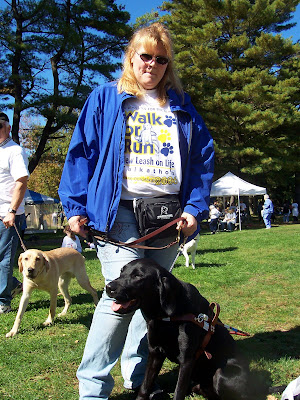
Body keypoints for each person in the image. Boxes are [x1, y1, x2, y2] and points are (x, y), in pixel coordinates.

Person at [58, 23, 214, 400]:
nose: (153, 64)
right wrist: (75, 207)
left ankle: (139, 377)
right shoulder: (105, 98)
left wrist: (194, 208)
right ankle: (92, 388)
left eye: (161, 59)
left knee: (151, 300)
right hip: (119, 212)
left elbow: (202, 159)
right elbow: (81, 154)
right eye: (146, 55)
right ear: (131, 56)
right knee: (119, 303)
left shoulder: (181, 103)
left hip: (168, 216)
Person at [0, 112, 29, 314]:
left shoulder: (15, 151)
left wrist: (11, 211)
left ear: (8, 128)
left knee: (4, 259)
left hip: (8, 214)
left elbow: (21, 181)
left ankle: (3, 302)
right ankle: (14, 285)